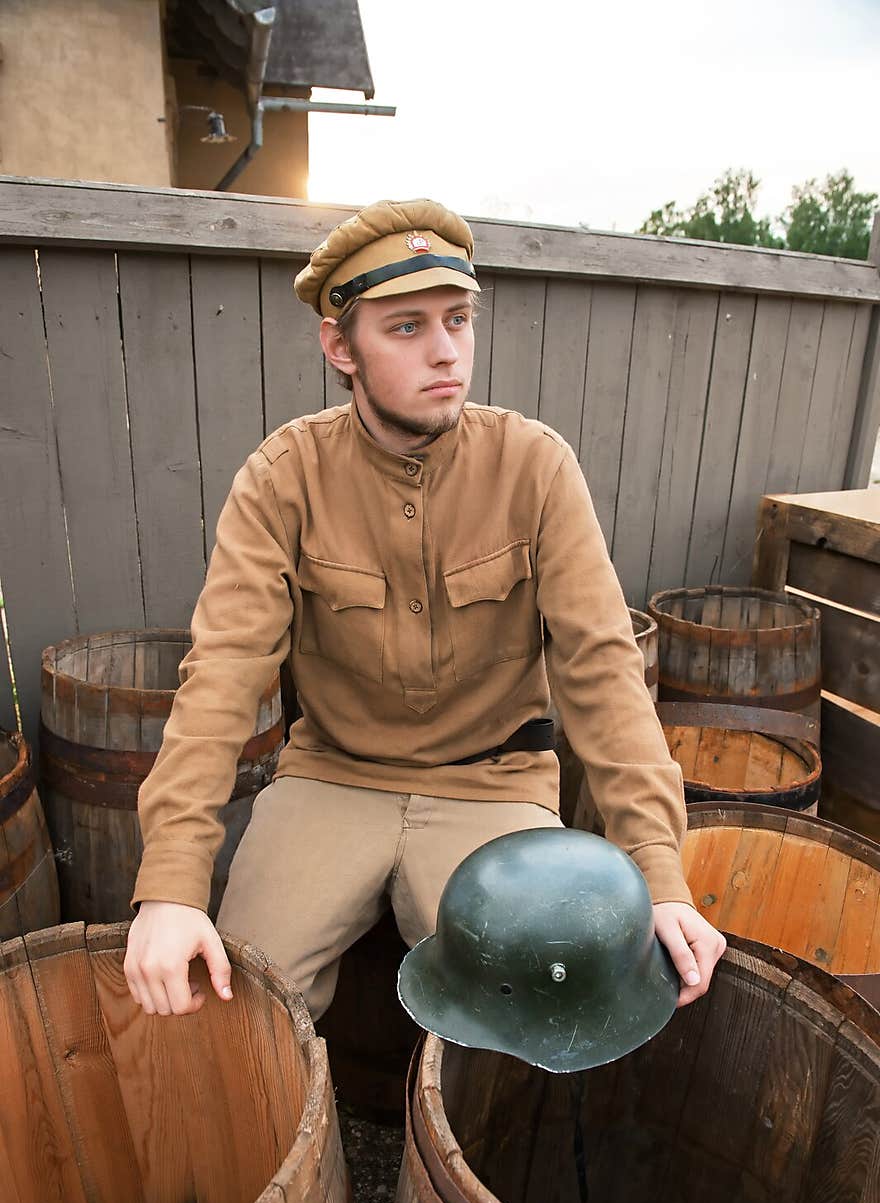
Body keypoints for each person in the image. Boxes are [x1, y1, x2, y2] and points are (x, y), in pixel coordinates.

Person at [124, 197, 726, 1022]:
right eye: (406, 328)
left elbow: (603, 669)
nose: (447, 352)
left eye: (458, 320)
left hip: (494, 783)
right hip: (331, 776)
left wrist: (658, 873)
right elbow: (222, 676)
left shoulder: (535, 467)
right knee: (240, 1009)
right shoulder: (282, 478)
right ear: (341, 345)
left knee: (533, 1019)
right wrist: (169, 885)